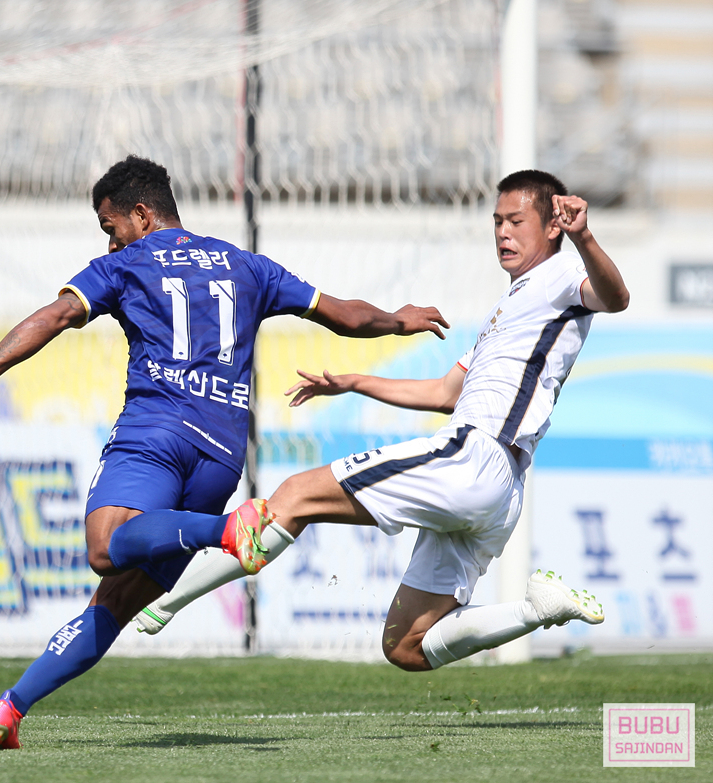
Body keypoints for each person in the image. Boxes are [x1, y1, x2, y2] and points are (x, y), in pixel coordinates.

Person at [0, 155, 449, 748]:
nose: (109, 241)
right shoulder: (247, 265)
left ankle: (225, 531)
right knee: (116, 602)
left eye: (111, 226)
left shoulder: (126, 264)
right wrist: (397, 321)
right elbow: (342, 314)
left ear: (141, 215)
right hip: (221, 456)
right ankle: (10, 708)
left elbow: (59, 313)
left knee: (104, 547)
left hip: (156, 432)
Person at [129, 170, 630, 673]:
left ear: (553, 226)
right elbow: (444, 393)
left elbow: (614, 298)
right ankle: (534, 610)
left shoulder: (561, 274)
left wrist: (584, 236)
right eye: (497, 221)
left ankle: (164, 601)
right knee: (407, 647)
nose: (502, 232)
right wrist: (354, 382)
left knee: (296, 495)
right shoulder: (509, 307)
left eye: (516, 221)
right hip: (499, 490)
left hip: (472, 457)